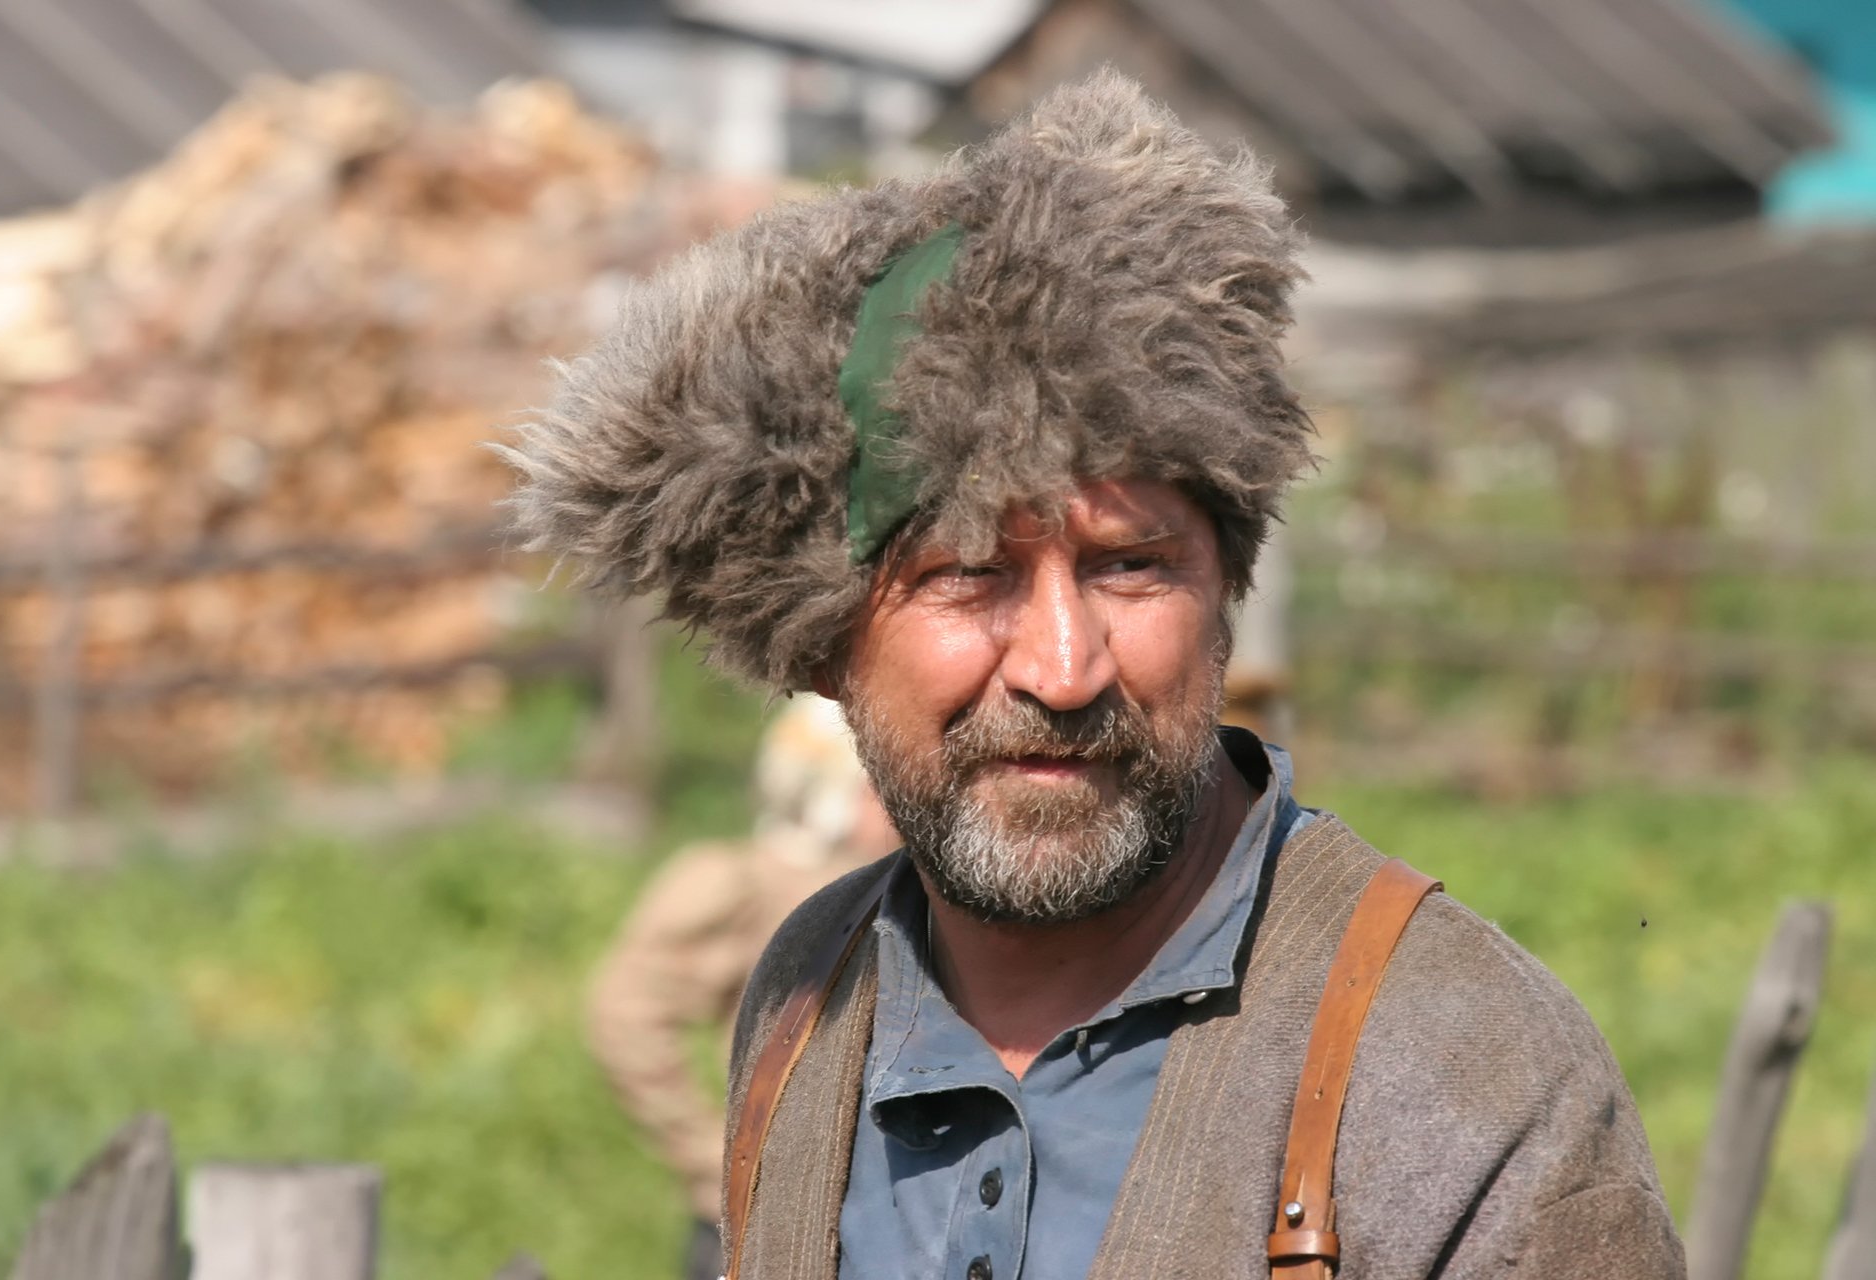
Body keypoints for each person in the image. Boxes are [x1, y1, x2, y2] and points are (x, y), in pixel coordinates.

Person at [506, 71, 1685, 1280]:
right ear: (823, 640)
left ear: (1224, 588)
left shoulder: (1461, 1071)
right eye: (970, 573)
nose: (1066, 670)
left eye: (1130, 565)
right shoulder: (811, 1001)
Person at [587, 696, 896, 1280]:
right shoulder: (751, 883)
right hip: (765, 1231)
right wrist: (711, 1155)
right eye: (875, 787)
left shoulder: (905, 889)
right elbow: (625, 1016)